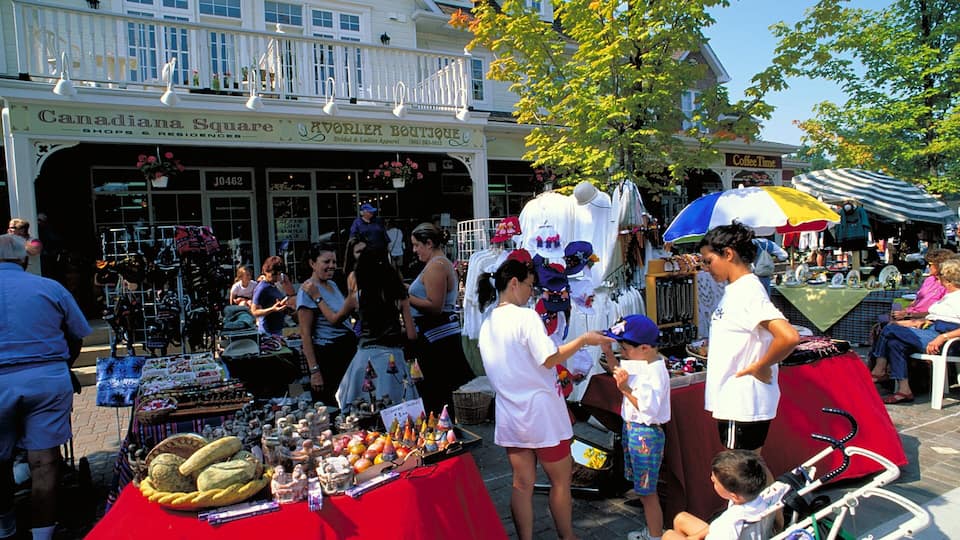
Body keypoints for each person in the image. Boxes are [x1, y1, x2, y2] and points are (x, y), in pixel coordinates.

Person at [477, 258, 613, 540]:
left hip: (511, 412)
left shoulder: (488, 320)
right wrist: (583, 341)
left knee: (521, 484)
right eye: (529, 286)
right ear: (514, 284)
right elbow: (549, 358)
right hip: (542, 413)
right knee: (560, 482)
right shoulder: (524, 317)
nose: (532, 293)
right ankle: (567, 536)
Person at [0, 233, 92, 540]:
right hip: (45, 378)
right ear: (25, 259)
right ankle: (43, 534)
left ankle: (5, 528)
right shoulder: (49, 287)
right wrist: (65, 364)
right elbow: (79, 332)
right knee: (44, 462)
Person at [699, 222, 799, 452]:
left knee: (738, 474)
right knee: (748, 470)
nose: (706, 268)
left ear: (728, 254)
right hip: (736, 399)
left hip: (741, 399)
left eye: (708, 261)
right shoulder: (737, 289)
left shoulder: (747, 291)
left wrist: (761, 365)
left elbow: (788, 336)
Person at [601, 315, 670, 540]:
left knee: (647, 492)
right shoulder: (643, 362)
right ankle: (652, 531)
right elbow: (618, 371)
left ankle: (655, 535)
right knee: (643, 489)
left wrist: (625, 391)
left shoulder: (655, 372)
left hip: (645, 434)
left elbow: (648, 409)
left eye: (624, 347)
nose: (622, 352)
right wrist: (608, 351)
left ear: (644, 347)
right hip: (635, 430)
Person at [335, 248, 418, 407]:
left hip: (365, 358)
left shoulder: (357, 297)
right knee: (397, 410)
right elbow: (411, 335)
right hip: (392, 358)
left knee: (362, 409)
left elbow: (335, 319)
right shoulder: (399, 296)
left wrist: (318, 299)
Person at [407, 223, 475, 416]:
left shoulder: (436, 266)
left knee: (438, 394)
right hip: (439, 336)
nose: (414, 250)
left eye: (416, 245)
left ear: (428, 243)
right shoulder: (438, 264)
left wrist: (406, 297)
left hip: (437, 339)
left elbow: (435, 306)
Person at [870, 258, 960, 404]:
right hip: (931, 330)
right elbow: (934, 317)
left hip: (947, 339)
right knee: (894, 342)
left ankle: (879, 369)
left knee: (890, 328)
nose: (937, 280)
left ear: (949, 281)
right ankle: (904, 389)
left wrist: (942, 337)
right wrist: (916, 322)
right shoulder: (948, 297)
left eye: (940, 277)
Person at [663, 450, 781, 540]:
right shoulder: (764, 497)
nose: (711, 478)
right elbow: (716, 527)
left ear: (734, 495)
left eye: (714, 482)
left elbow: (723, 528)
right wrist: (695, 537)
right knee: (681, 518)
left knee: (669, 535)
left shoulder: (727, 524)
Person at [297, 244, 358, 407]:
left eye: (334, 261)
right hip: (328, 354)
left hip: (346, 349)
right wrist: (314, 371)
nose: (332, 265)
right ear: (312, 263)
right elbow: (305, 334)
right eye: (326, 261)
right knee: (331, 405)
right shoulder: (307, 291)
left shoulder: (333, 285)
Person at [251, 256, 295, 335]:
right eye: (274, 274)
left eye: (278, 274)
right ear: (266, 272)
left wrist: (285, 307)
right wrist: (273, 309)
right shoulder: (262, 288)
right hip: (267, 331)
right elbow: (254, 311)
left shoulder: (273, 285)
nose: (276, 277)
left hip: (277, 329)